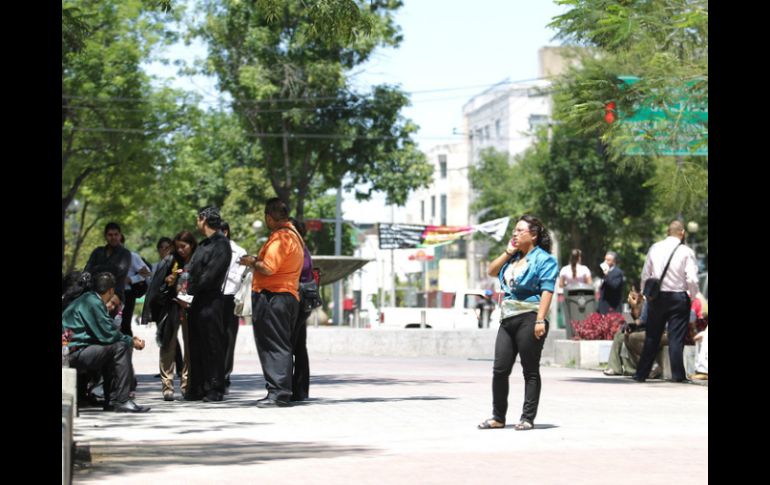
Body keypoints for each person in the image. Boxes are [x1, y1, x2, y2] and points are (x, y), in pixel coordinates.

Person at [478, 215, 558, 431]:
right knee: (500, 369)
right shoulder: (513, 259)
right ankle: (498, 417)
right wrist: (508, 251)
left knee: (530, 370)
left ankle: (527, 417)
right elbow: (492, 271)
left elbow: (547, 290)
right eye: (514, 230)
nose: (514, 234)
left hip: (530, 317)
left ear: (533, 234)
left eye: (520, 230)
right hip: (508, 318)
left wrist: (540, 319)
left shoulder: (545, 260)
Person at [239, 198, 304, 408]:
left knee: (273, 345)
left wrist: (251, 261)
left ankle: (278, 393)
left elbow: (267, 268)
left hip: (274, 297)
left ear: (269, 217)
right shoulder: (294, 235)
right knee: (281, 345)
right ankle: (281, 390)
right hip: (286, 297)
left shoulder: (280, 238)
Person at [62, 272, 150, 413]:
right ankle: (122, 400)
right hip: (71, 353)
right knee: (120, 346)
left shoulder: (88, 299)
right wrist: (131, 341)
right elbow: (107, 334)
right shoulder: (92, 302)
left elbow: (104, 334)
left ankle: (112, 400)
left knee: (112, 348)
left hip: (72, 351)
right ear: (111, 290)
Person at [633, 220, 699, 383]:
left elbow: (645, 274)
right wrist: (693, 295)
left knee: (652, 336)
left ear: (668, 232)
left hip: (657, 298)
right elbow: (691, 278)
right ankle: (677, 375)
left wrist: (644, 293)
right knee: (676, 337)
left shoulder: (655, 248)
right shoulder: (686, 251)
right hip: (678, 298)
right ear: (682, 233)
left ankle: (641, 374)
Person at [186, 207, 232, 401]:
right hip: (197, 299)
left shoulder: (222, 244)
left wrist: (193, 286)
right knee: (195, 344)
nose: (197, 222)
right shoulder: (203, 244)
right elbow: (193, 269)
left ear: (203, 219)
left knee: (212, 345)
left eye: (198, 219)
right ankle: (197, 387)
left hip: (212, 299)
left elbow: (211, 274)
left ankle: (214, 387)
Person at [220, 221, 247, 395]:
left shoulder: (239, 252)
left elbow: (241, 278)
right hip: (211, 298)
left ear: (226, 232)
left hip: (230, 299)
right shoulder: (206, 249)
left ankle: (224, 376)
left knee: (229, 340)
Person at [289, 217, 313, 401]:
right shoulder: (299, 248)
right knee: (297, 345)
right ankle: (298, 389)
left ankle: (297, 389)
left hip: (297, 301)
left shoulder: (299, 250)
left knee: (293, 346)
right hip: (299, 302)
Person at [84, 222, 132, 303]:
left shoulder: (125, 253)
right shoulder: (97, 251)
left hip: (114, 297)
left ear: (120, 236)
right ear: (105, 236)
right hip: (93, 295)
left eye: (116, 234)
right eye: (110, 235)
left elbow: (117, 271)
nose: (113, 237)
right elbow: (87, 270)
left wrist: (96, 268)